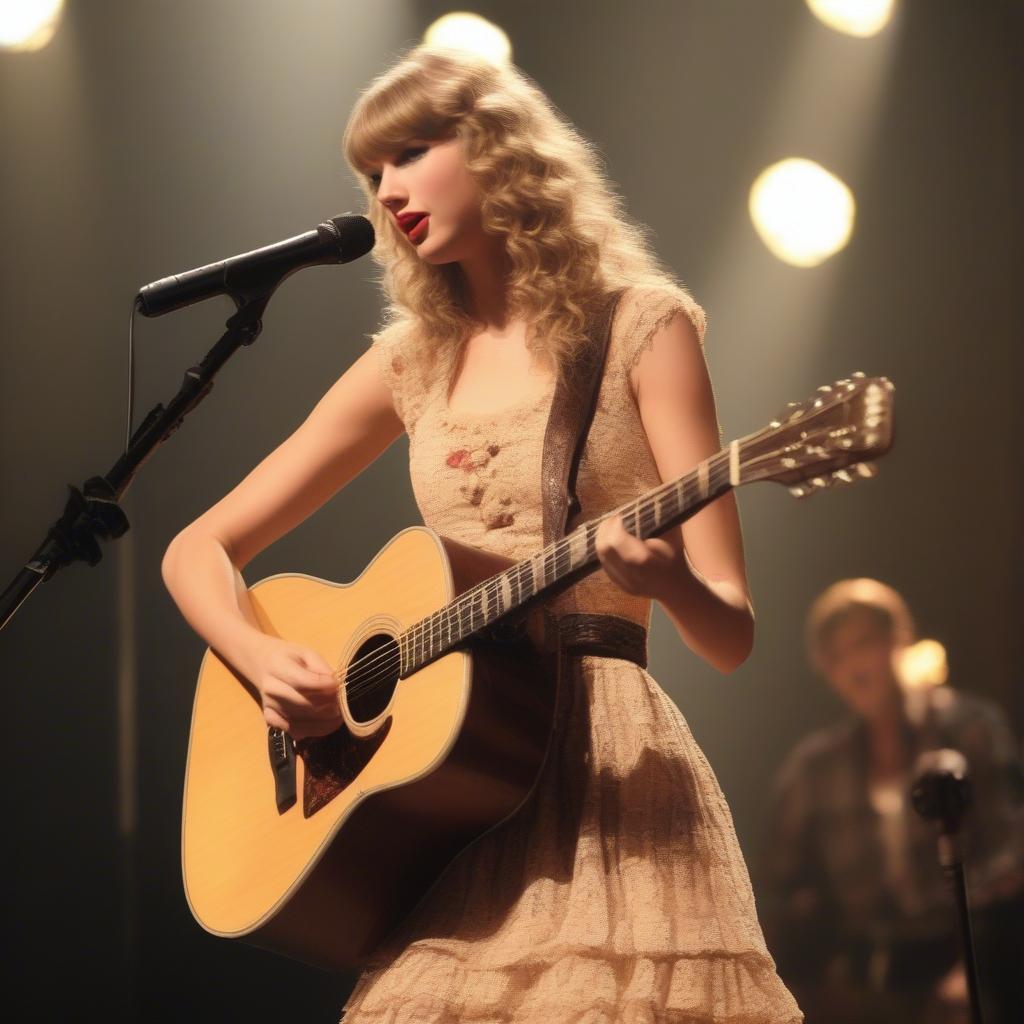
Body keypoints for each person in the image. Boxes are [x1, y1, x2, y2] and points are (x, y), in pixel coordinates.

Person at [162, 45, 801, 1023]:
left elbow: (731, 632)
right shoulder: (409, 364)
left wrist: (667, 583)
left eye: (411, 153)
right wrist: (258, 657)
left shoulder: (643, 327)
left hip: (606, 777)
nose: (389, 192)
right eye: (372, 175)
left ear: (501, 150)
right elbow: (196, 547)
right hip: (451, 784)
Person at [760, 578, 1024, 1024]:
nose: (853, 666)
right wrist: (814, 980)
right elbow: (781, 888)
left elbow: (1011, 855)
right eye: (836, 656)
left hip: (972, 969)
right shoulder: (815, 768)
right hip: (866, 985)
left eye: (864, 643)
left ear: (899, 640)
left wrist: (970, 969)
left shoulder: (969, 730)